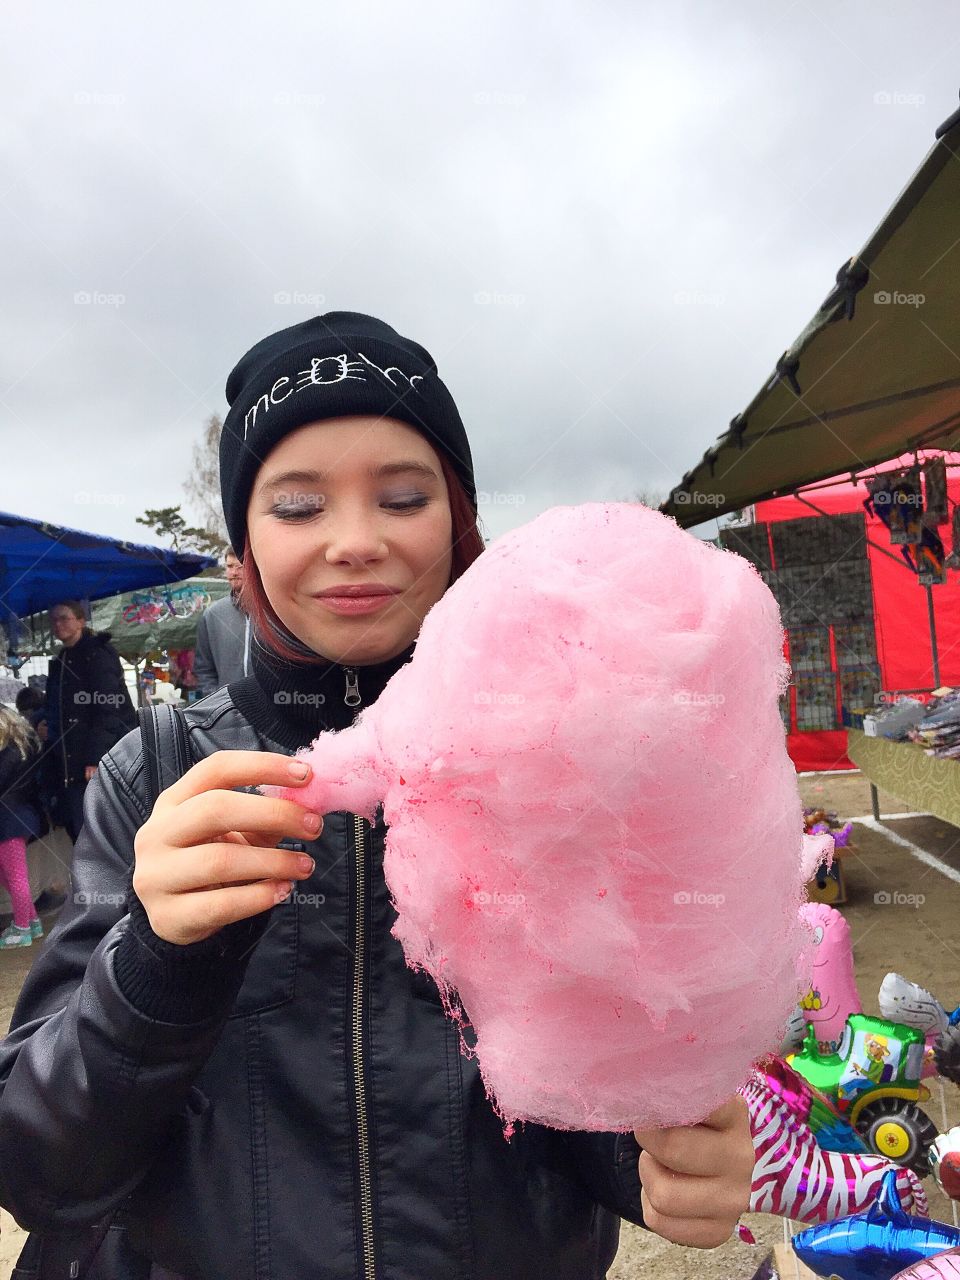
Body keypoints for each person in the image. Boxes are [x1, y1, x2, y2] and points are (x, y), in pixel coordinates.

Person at [0, 312, 754, 1279]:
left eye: (402, 497)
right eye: (297, 506)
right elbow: (43, 1170)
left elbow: (586, 1077)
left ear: (460, 522)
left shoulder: (560, 752)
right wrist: (157, 958)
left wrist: (652, 1156)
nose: (355, 542)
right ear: (245, 545)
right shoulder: (159, 771)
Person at [40, 601, 137, 842]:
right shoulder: (63, 658)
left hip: (96, 760)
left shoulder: (97, 654)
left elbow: (108, 709)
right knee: (81, 829)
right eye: (53, 620)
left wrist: (96, 757)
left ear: (81, 621)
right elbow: (58, 703)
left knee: (101, 830)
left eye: (64, 618)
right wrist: (46, 722)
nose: (58, 624)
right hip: (70, 762)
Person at [0, 705, 45, 947]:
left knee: (16, 876)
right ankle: (32, 920)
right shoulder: (20, 749)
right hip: (17, 817)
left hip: (10, 820)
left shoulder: (8, 754)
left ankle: (22, 928)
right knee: (9, 874)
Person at [192, 547, 251, 696]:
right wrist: (217, 703)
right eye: (229, 566)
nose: (233, 572)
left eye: (240, 566)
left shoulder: (275, 612)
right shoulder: (212, 615)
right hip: (229, 712)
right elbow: (204, 669)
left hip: (271, 712)